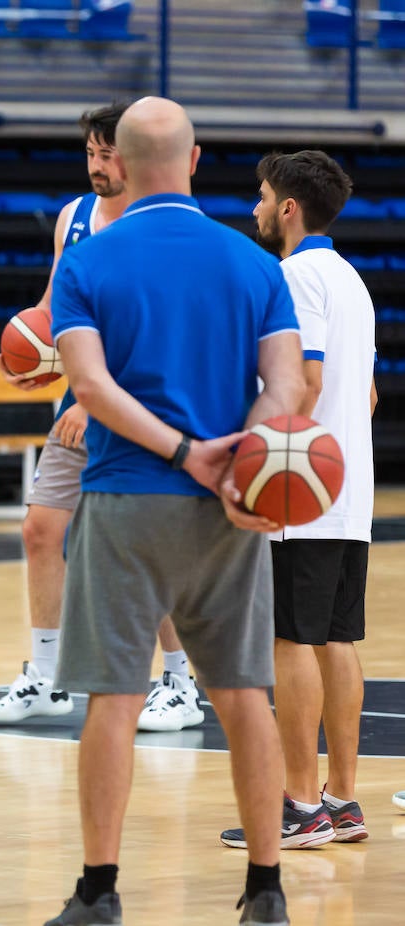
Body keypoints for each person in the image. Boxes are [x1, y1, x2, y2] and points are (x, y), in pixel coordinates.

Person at [44, 98, 304, 926]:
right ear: (195, 162)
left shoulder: (89, 262)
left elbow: (88, 389)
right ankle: (266, 891)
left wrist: (180, 450)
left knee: (113, 702)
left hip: (125, 498)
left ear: (116, 164)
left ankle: (100, 892)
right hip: (229, 509)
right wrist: (243, 465)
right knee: (242, 696)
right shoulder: (256, 263)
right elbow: (288, 388)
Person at [0, 103, 200, 733]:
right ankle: (47, 679)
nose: (98, 166)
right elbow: (56, 305)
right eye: (91, 155)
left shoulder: (160, 221)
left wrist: (87, 397)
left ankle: (179, 683)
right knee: (41, 531)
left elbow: (159, 330)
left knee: (146, 546)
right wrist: (37, 355)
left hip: (145, 407)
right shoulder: (74, 217)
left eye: (109, 154)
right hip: (82, 403)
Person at [218, 151, 376, 849]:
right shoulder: (352, 281)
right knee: (337, 639)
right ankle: (341, 800)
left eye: (261, 197)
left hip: (299, 491)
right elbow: (364, 397)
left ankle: (298, 804)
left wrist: (251, 460)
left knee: (291, 640)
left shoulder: (294, 274)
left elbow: (303, 384)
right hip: (351, 490)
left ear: (288, 207)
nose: (254, 209)